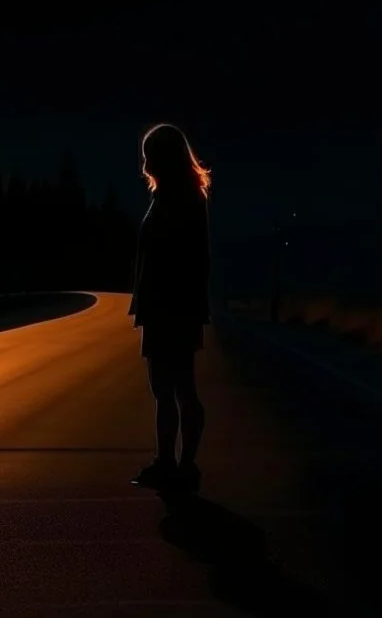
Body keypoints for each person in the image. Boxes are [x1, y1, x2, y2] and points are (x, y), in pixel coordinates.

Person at [128, 122, 211, 494]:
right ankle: (170, 461)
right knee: (168, 388)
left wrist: (181, 304)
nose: (145, 164)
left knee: (178, 387)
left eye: (149, 156)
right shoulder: (168, 197)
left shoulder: (183, 200)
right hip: (164, 306)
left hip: (173, 306)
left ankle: (184, 462)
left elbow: (193, 259)